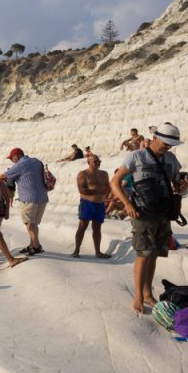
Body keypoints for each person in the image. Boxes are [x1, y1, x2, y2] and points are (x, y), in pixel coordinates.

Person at [110, 123, 186, 315]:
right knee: (144, 255)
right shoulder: (137, 156)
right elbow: (115, 182)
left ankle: (147, 293)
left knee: (153, 255)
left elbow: (176, 185)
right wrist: (127, 204)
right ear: (154, 138)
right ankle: (137, 297)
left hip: (163, 213)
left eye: (171, 144)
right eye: (165, 143)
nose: (168, 147)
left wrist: (182, 186)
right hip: (143, 213)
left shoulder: (171, 159)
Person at [0, 148, 49, 255]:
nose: (12, 161)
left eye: (11, 159)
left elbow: (3, 176)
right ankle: (32, 245)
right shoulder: (37, 161)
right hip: (42, 197)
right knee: (33, 223)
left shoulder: (21, 164)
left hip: (29, 198)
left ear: (16, 156)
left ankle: (37, 246)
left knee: (29, 223)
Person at [72, 154, 112, 258]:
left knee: (97, 228)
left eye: (99, 161)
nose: (98, 163)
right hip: (87, 203)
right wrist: (99, 191)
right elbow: (82, 190)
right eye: (95, 161)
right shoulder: (83, 174)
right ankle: (76, 250)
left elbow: (108, 187)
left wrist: (105, 192)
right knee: (82, 226)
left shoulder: (104, 174)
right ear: (88, 162)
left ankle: (98, 252)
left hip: (100, 204)